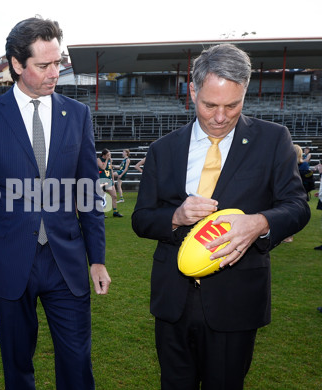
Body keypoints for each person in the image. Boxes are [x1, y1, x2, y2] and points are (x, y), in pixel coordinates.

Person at [131, 44, 310, 389]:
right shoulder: (163, 149)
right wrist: (176, 216)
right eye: (209, 104)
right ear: (192, 91)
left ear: (245, 92)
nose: (220, 116)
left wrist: (260, 222)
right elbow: (141, 219)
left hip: (236, 300)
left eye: (232, 105)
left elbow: (297, 206)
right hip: (173, 301)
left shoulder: (273, 140)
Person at [0, 16, 111, 390]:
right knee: (17, 366)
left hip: (66, 260)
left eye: (58, 62)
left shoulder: (77, 114)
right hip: (9, 263)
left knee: (78, 363)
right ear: (16, 64)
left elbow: (89, 193)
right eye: (43, 65)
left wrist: (97, 259)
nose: (54, 72)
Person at [97, 149, 122, 217]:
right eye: (108, 155)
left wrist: (113, 179)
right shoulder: (98, 159)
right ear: (104, 155)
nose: (109, 156)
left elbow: (111, 170)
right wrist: (107, 160)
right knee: (101, 197)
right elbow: (103, 167)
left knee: (114, 196)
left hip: (109, 180)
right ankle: (101, 212)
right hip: (102, 180)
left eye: (110, 155)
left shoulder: (109, 160)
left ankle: (115, 212)